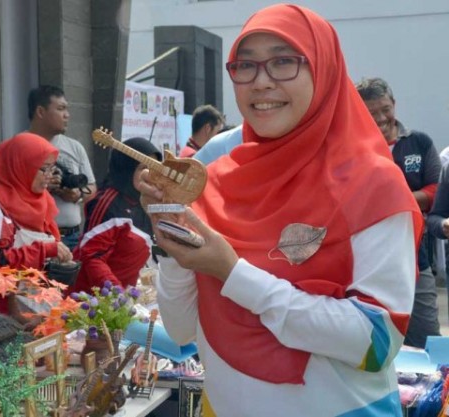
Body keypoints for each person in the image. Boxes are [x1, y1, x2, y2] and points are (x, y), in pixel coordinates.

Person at [140, 5, 422, 416]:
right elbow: (183, 331)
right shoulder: (214, 179)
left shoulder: (370, 183)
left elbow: (376, 342)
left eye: (284, 61)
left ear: (322, 69)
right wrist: (170, 232)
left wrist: (232, 273)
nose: (261, 82)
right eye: (246, 66)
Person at [356, 77, 442, 348]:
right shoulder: (352, 149)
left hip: (416, 257)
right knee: (374, 342)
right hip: (366, 263)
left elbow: (436, 191)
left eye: (385, 108)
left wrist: (394, 201)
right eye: (371, 112)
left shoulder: (418, 142)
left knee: (427, 339)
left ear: (393, 104)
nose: (381, 118)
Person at [0, 132, 72, 320]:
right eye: (43, 169)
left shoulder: (44, 202)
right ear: (21, 167)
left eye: (52, 169)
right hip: (2, 315)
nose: (49, 177)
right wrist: (43, 251)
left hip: (41, 310)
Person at [68, 137, 161, 295]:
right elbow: (92, 257)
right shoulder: (107, 204)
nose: (150, 176)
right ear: (127, 169)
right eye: (143, 168)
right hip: (94, 302)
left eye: (155, 169)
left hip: (130, 299)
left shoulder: (148, 201)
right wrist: (117, 295)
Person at [27, 85, 97, 251]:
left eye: (67, 109)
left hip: (72, 237)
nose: (67, 115)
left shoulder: (75, 147)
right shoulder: (20, 147)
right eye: (60, 109)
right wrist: (42, 187)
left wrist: (77, 194)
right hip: (35, 238)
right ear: (40, 112)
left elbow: (92, 188)